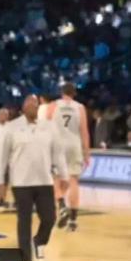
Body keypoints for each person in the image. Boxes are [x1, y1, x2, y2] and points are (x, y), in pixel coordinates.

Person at [0, 95, 68, 261]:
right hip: (21, 183)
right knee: (24, 222)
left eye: (35, 104)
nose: (32, 106)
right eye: (28, 104)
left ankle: (39, 241)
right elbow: (3, 156)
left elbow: (58, 154)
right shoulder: (12, 128)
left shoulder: (49, 127)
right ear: (23, 108)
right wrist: (0, 180)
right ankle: (26, 260)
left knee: (49, 218)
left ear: (38, 107)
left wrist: (64, 175)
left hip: (44, 181)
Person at [47, 82, 90, 231]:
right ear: (74, 93)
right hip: (74, 145)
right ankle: (73, 220)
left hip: (58, 145)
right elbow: (84, 131)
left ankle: (61, 206)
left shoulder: (53, 106)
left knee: (56, 180)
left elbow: (45, 128)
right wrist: (86, 152)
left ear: (61, 92)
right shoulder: (80, 107)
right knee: (73, 181)